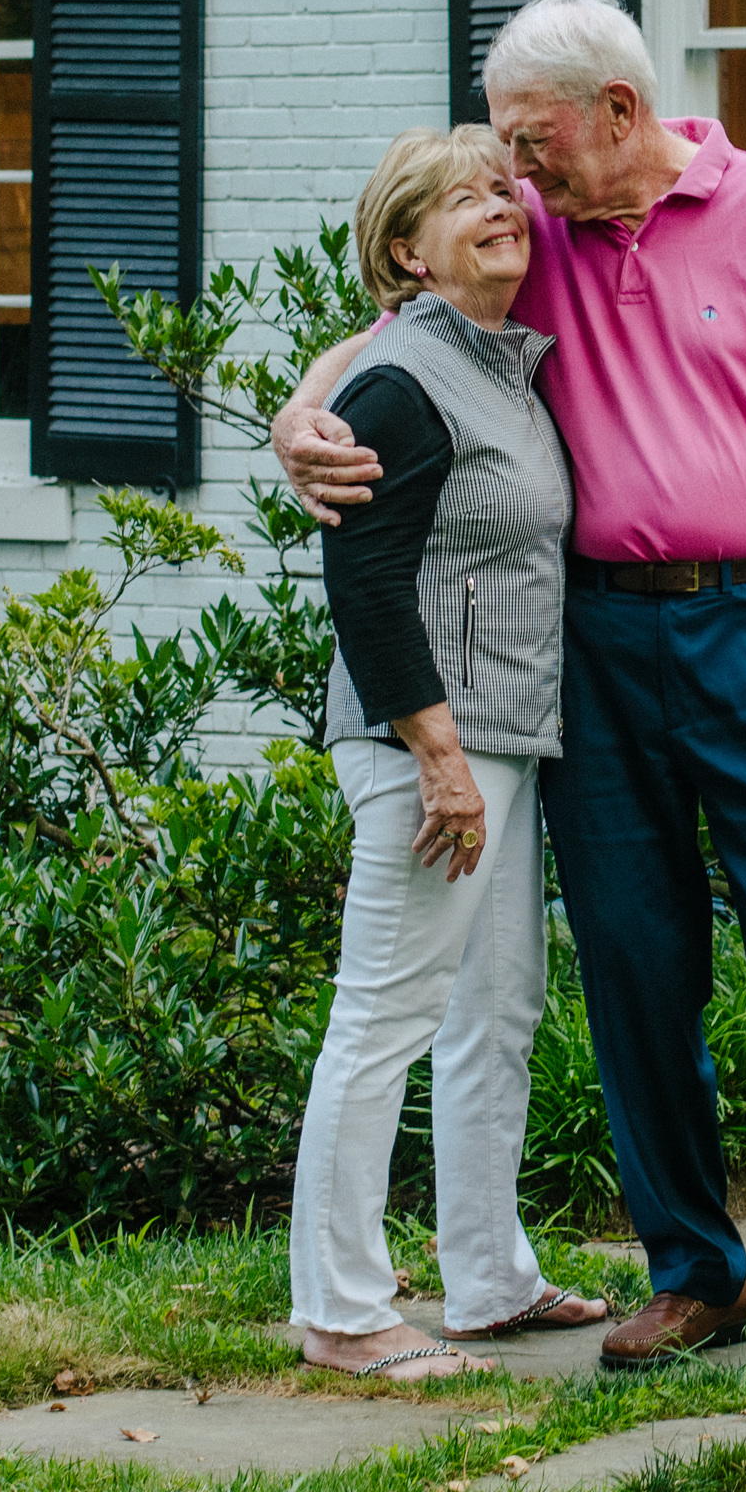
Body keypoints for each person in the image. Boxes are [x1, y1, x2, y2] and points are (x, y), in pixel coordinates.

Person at [277, 0, 746, 1368]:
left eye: (528, 139)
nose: (511, 171)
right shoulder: (541, 238)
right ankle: (695, 1274)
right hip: (599, 645)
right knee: (634, 962)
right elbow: (409, 323)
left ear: (614, 115)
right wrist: (301, 410)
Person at [286, 125, 610, 1382]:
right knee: (388, 1014)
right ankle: (343, 1310)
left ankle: (486, 1278)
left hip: (502, 736)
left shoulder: (493, 363)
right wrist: (434, 753)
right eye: (459, 198)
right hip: (429, 742)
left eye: (503, 189)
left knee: (495, 1009)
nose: (497, 206)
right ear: (403, 253)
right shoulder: (403, 378)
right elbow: (362, 586)